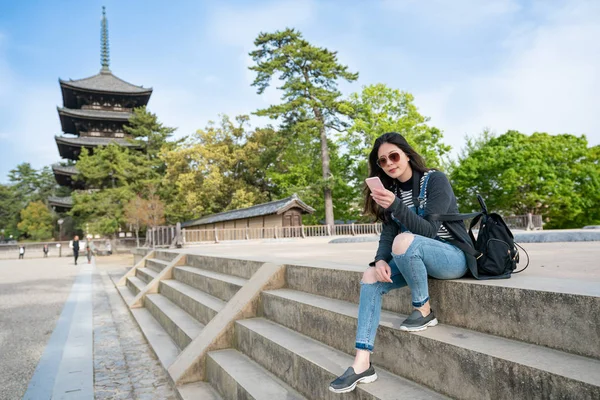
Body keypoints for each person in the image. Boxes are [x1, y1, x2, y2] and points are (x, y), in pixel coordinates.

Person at [329, 132, 476, 394]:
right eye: (382, 161)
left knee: (405, 240)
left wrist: (396, 205)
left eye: (394, 156)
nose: (389, 164)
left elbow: (429, 231)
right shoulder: (391, 191)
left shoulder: (435, 180)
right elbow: (388, 233)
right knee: (370, 276)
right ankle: (362, 363)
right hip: (415, 258)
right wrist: (380, 260)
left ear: (407, 154)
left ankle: (423, 310)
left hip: (452, 257)